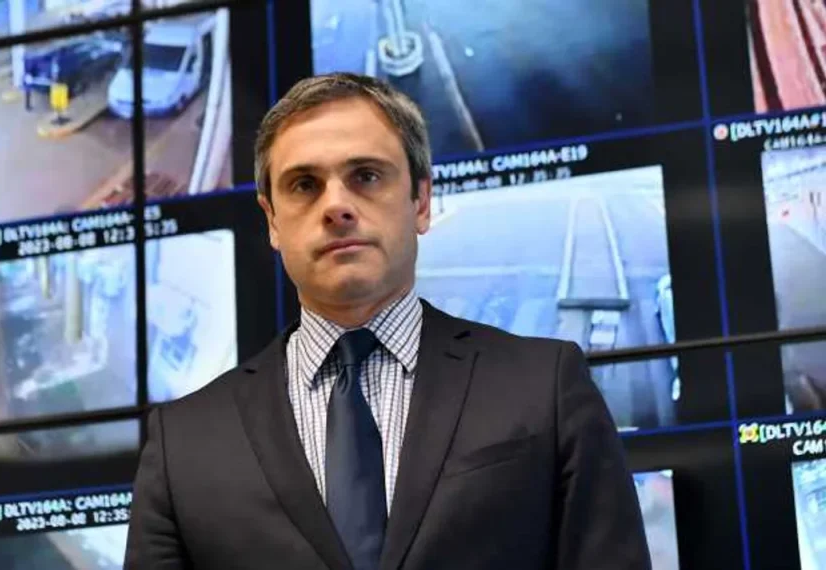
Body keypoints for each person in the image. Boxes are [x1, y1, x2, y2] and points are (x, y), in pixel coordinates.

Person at [123, 72, 651, 570]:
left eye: (366, 176)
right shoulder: (183, 445)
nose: (336, 206)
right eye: (304, 185)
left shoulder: (542, 387)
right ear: (272, 221)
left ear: (421, 202)